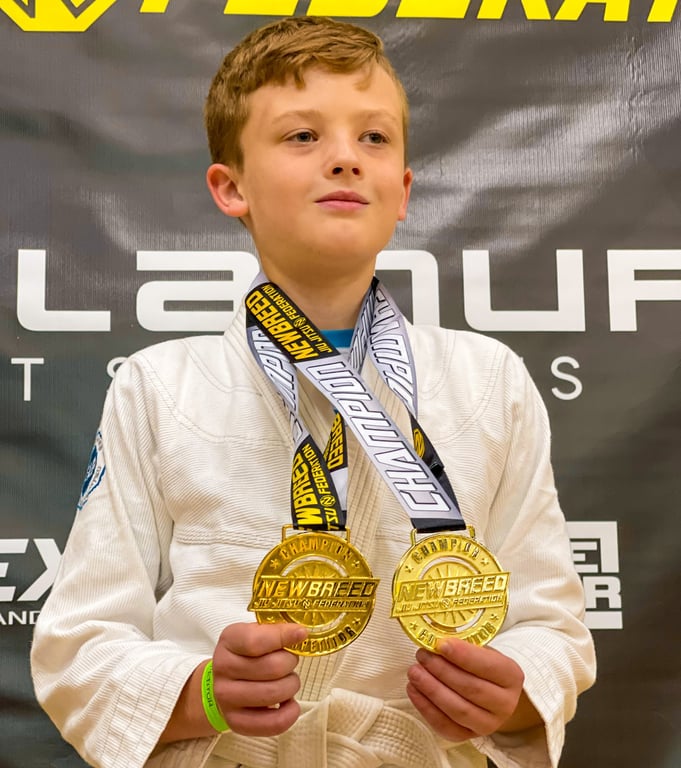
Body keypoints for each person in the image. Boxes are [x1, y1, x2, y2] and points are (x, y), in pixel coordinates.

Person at [31, 16, 596, 768]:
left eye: (374, 138)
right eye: (302, 136)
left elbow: (551, 623)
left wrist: (513, 690)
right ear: (231, 187)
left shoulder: (488, 378)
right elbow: (81, 642)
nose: (344, 158)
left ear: (402, 190)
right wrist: (202, 693)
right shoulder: (159, 385)